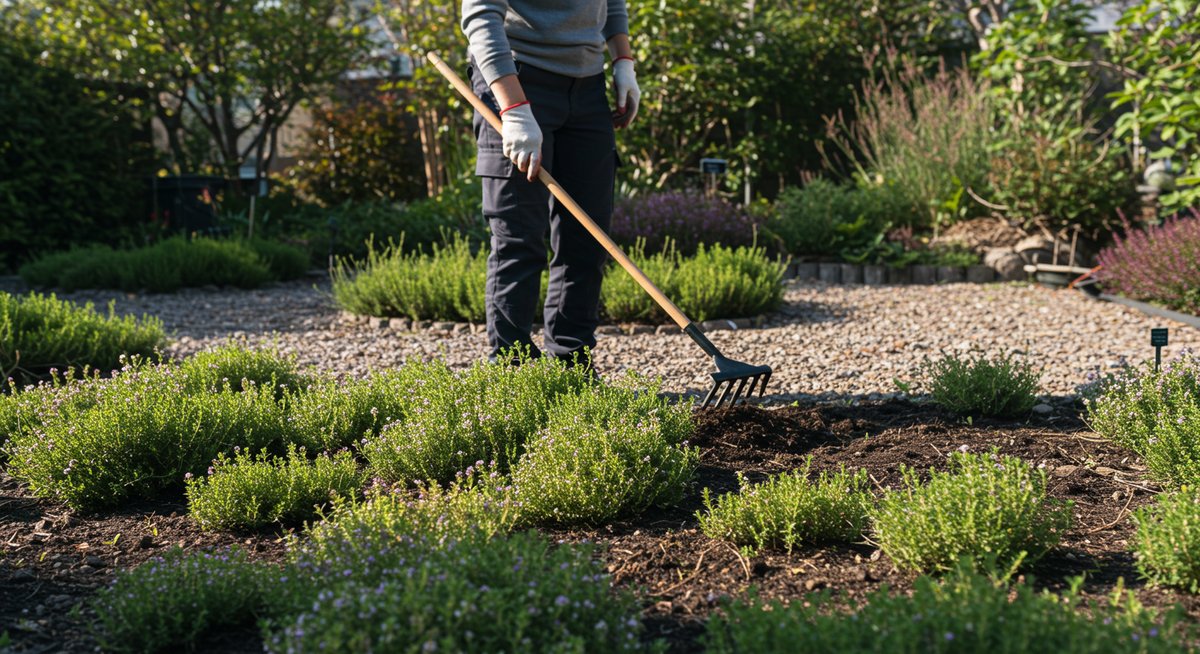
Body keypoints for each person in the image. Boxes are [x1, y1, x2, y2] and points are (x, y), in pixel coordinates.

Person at [461, 0, 640, 368]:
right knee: (519, 238)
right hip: (515, 76)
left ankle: (571, 366)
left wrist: (623, 61)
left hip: (588, 85)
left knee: (587, 238)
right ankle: (513, 375)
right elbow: (481, 15)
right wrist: (513, 109)